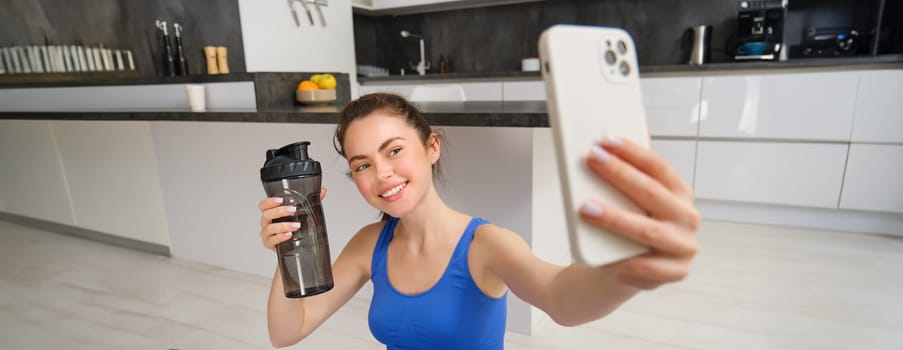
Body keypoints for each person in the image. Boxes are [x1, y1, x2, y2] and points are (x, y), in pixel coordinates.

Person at [258, 93, 699, 349]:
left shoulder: (486, 245)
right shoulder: (369, 243)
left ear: (432, 147)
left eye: (394, 151)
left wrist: (628, 270)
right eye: (362, 165)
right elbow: (287, 331)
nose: (382, 174)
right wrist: (286, 249)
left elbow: (562, 298)